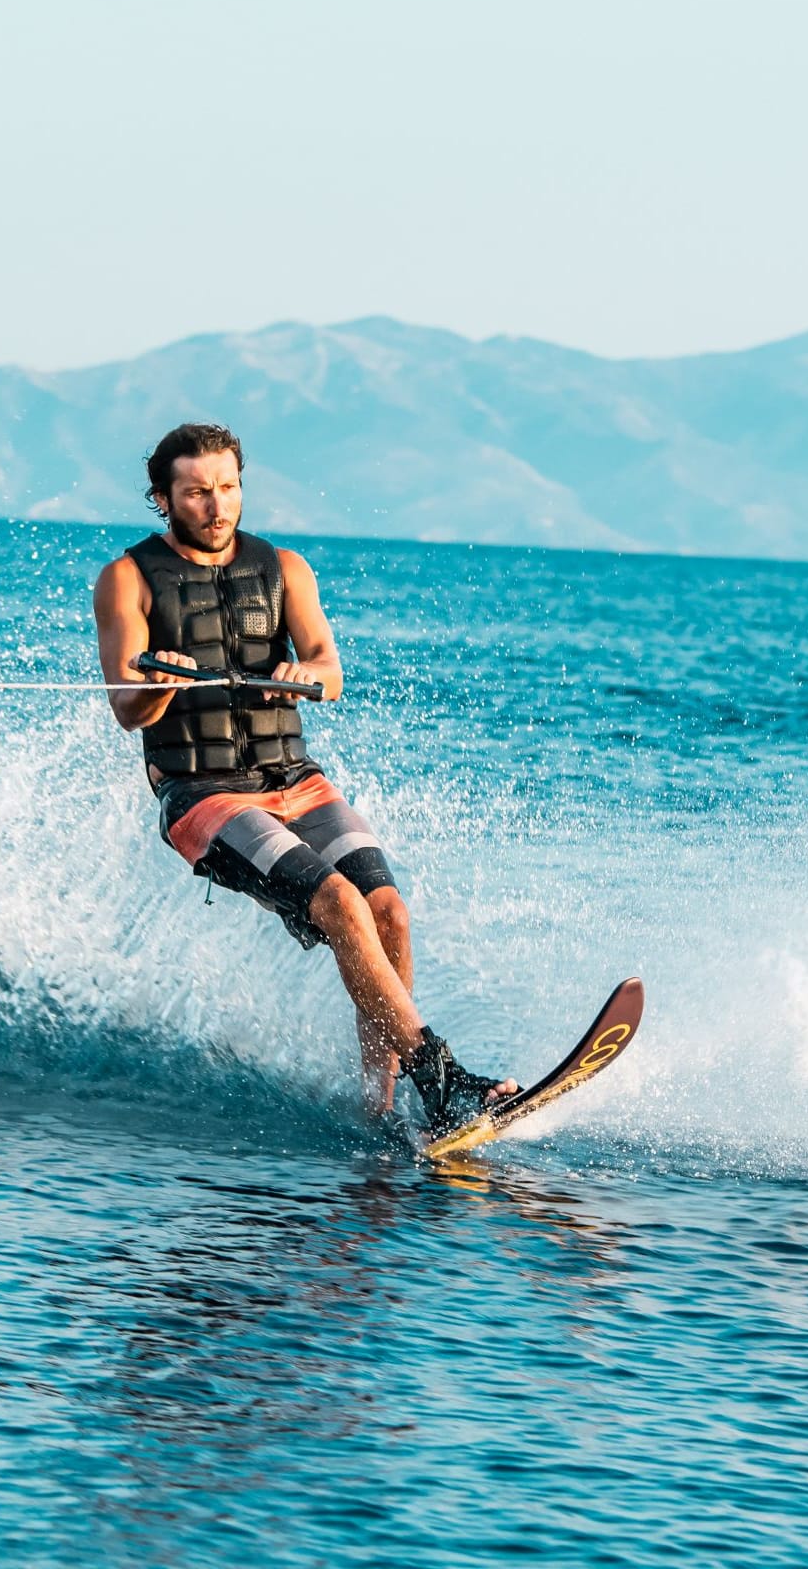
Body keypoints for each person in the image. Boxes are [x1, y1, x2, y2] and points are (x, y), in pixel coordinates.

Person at [92, 422, 517, 1129]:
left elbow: (330, 667)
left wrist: (304, 677)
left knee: (388, 914)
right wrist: (161, 681)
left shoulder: (284, 568)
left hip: (296, 780)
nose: (217, 505)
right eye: (196, 492)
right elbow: (126, 710)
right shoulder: (128, 579)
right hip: (203, 797)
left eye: (228, 488)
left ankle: (383, 1106)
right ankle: (444, 1081)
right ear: (163, 499)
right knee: (340, 903)